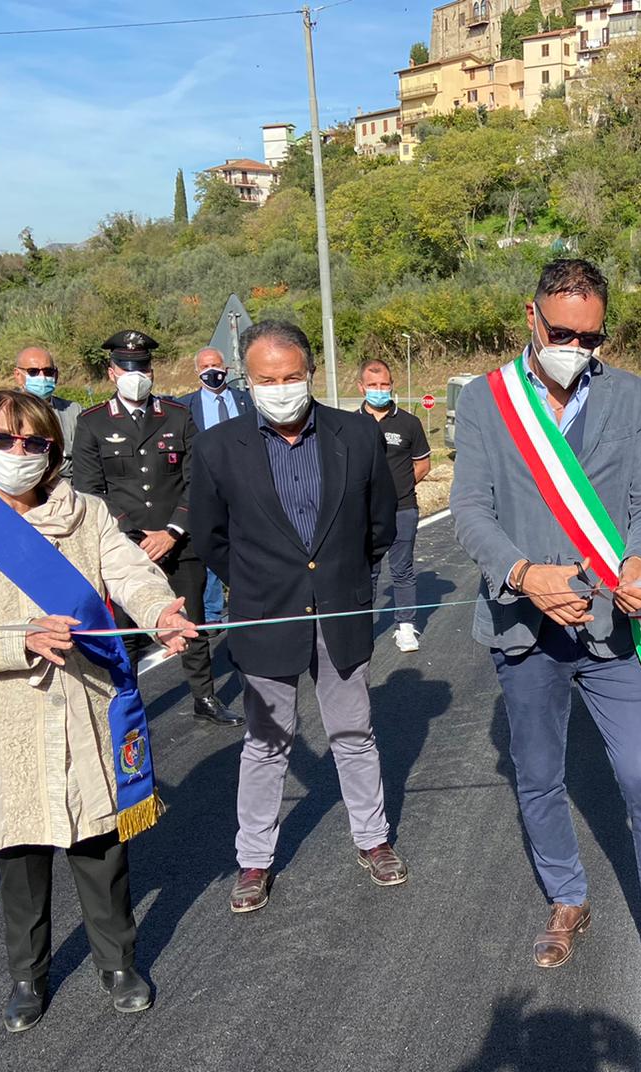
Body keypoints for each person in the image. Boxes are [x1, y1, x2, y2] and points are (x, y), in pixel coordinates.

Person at [450, 259, 641, 1021]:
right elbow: (469, 510)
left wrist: (638, 558)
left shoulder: (630, 396)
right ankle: (568, 898)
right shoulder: (488, 402)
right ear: (531, 318)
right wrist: (523, 574)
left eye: (590, 337)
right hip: (525, 626)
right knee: (538, 775)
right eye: (561, 333)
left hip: (608, 626)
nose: (575, 347)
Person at [0, 389, 197, 1032]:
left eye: (34, 441)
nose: (18, 453)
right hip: (0, 714)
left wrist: (162, 611)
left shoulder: (86, 514)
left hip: (84, 706)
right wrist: (21, 639)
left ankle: (119, 963)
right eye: (3, 440)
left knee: (99, 846)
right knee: (21, 858)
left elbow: (129, 575)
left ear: (54, 450)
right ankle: (27, 977)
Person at [190, 320, 408, 912]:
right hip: (265, 615)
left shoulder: (356, 435)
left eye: (292, 377)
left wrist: (344, 576)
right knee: (266, 741)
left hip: (340, 611)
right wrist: (257, 584)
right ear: (247, 380)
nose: (281, 388)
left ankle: (374, 839)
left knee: (353, 732)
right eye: (267, 379)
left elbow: (379, 523)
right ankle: (254, 860)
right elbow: (211, 538)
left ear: (311, 373)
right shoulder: (216, 447)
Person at [71, 329, 241, 727]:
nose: (136, 373)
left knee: (192, 622)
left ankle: (205, 696)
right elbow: (89, 489)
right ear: (112, 372)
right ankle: (128, 705)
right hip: (124, 547)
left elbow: (197, 480)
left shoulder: (178, 416)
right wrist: (135, 536)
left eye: (142, 366)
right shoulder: (92, 423)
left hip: (180, 542)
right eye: (127, 367)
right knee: (126, 633)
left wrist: (172, 531)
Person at [359, 358, 432, 652]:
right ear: (361, 387)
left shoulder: (409, 423)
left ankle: (405, 627)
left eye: (384, 385)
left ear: (392, 386)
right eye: (373, 385)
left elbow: (423, 465)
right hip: (364, 513)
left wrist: (397, 490)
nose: (379, 390)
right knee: (368, 572)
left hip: (403, 508)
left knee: (401, 569)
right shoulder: (350, 423)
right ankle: (363, 628)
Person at [184, 346, 253, 629]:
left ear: (226, 368)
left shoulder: (246, 400)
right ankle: (213, 612)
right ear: (197, 371)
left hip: (247, 481)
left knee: (248, 543)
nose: (212, 371)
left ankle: (249, 600)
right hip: (209, 482)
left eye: (216, 364)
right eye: (205, 366)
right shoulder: (186, 406)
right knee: (211, 542)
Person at [12, 346, 81, 477]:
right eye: (33, 372)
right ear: (18, 375)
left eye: (48, 371)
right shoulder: (5, 413)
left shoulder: (74, 411)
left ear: (56, 375)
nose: (42, 377)